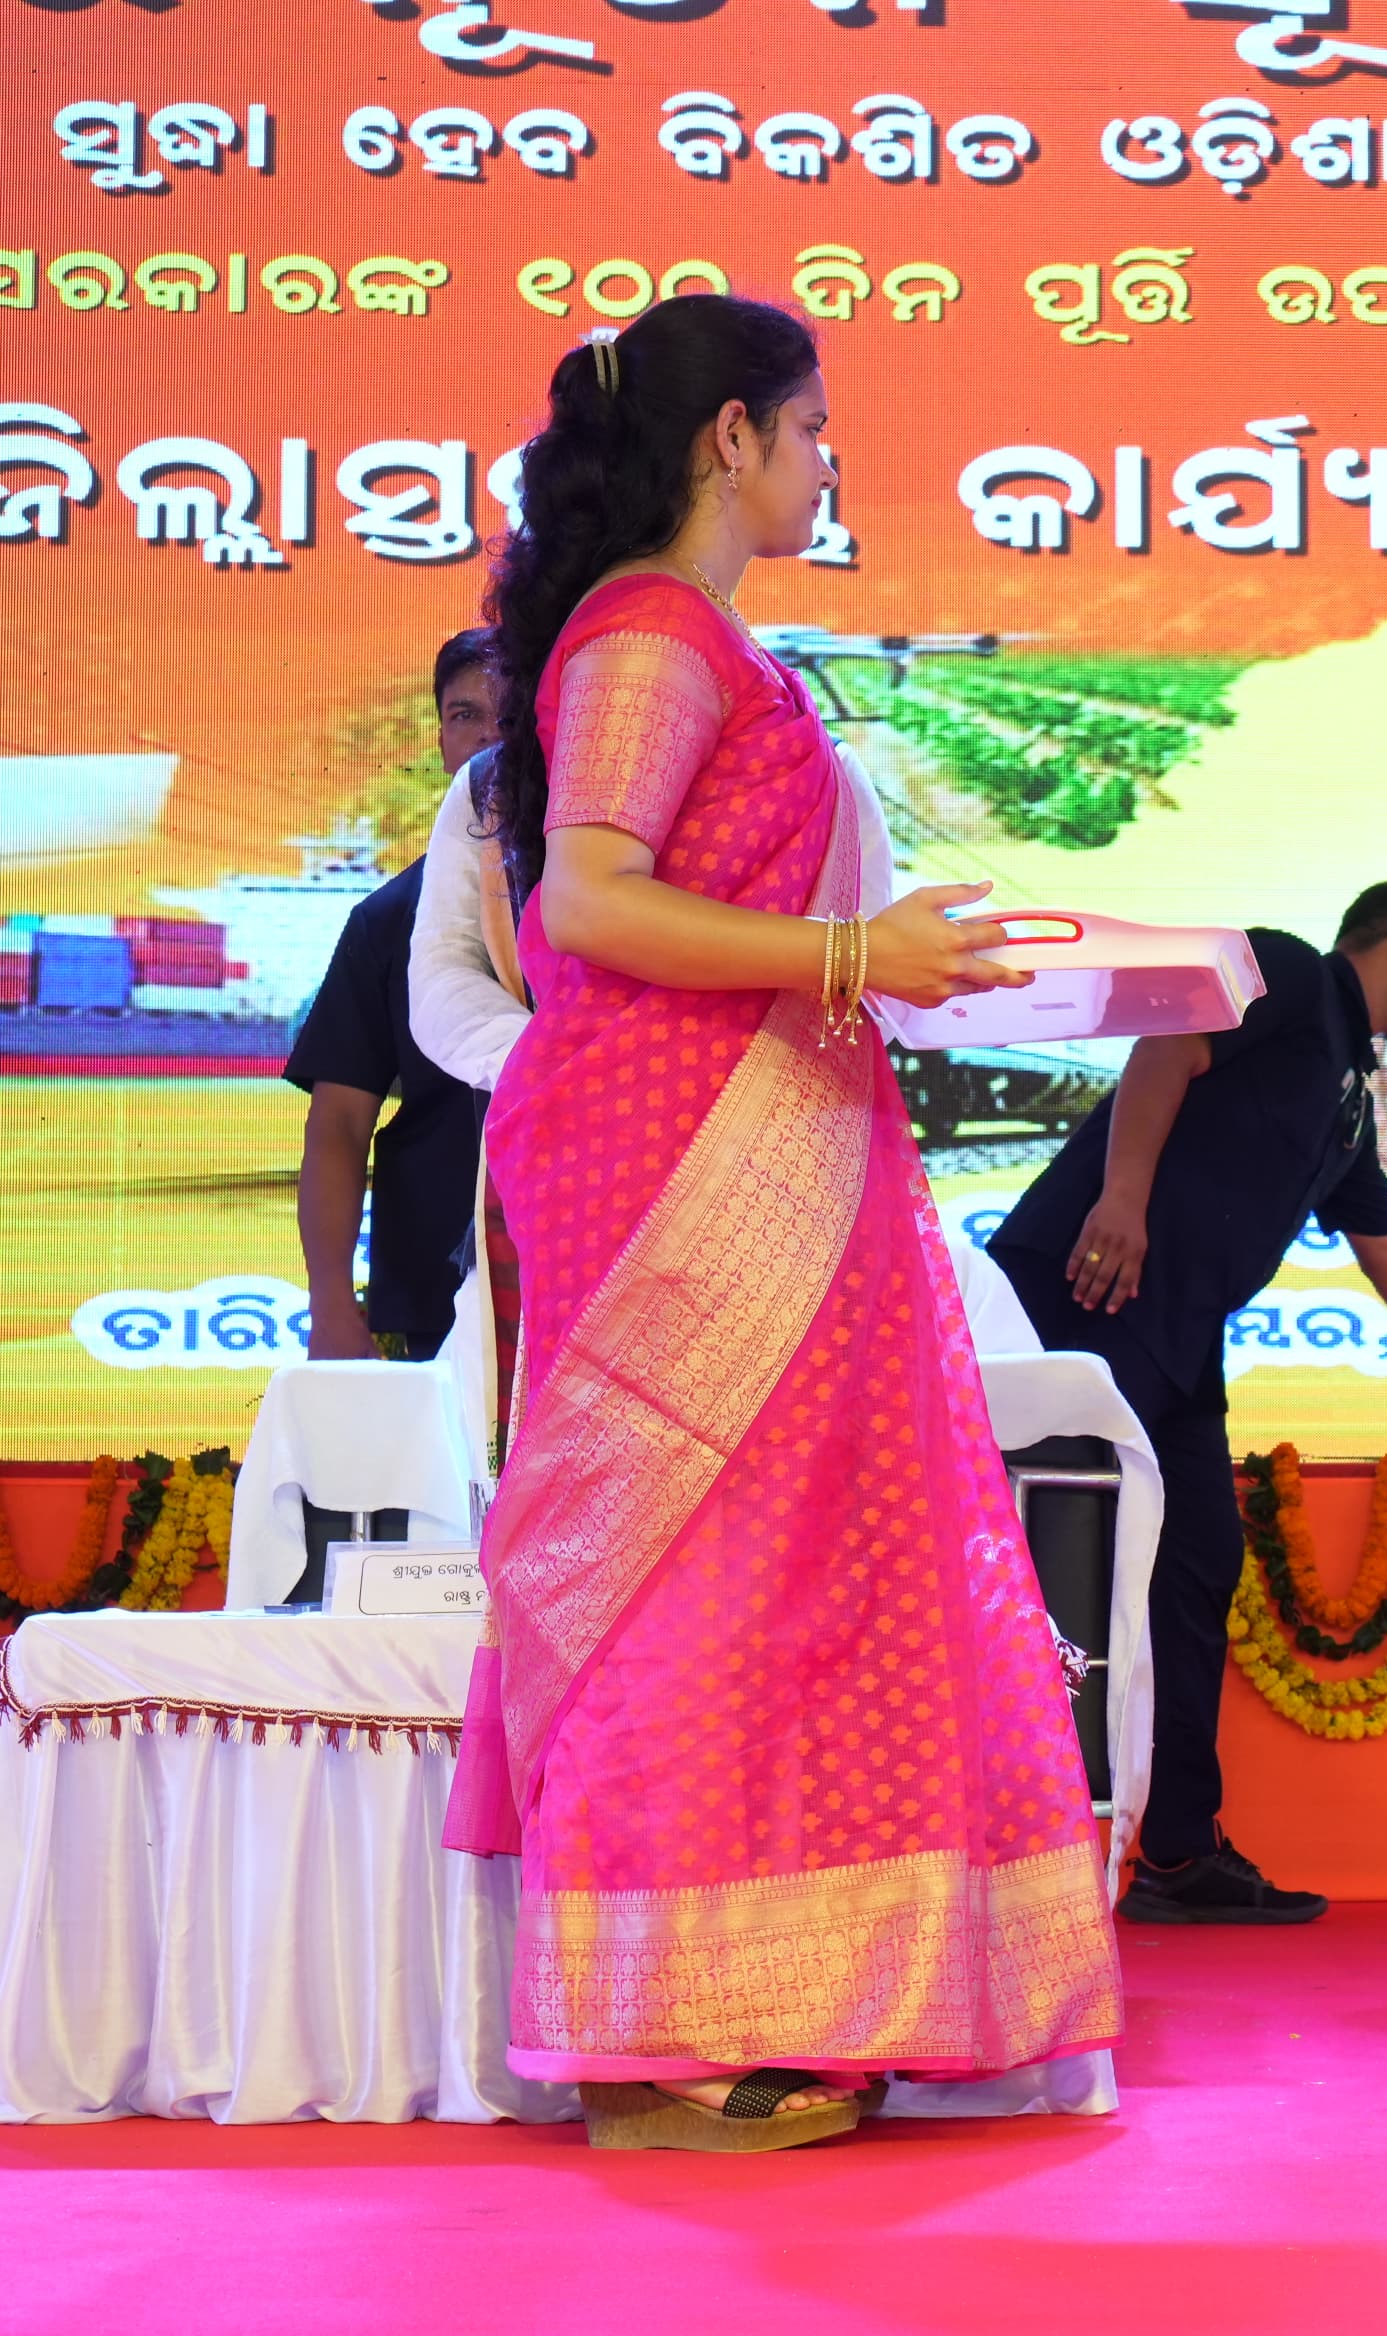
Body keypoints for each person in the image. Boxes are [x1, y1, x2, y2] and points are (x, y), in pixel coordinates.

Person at [439, 295, 1120, 2153]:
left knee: (789, 1580)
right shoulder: (651, 633)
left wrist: (893, 969)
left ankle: (780, 2001)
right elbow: (590, 903)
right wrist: (846, 954)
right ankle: (654, 2054)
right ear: (729, 437)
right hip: (676, 1166)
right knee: (689, 1579)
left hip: (758, 1146)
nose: (828, 462)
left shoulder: (696, 639)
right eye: (812, 427)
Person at [987, 881, 1387, 1927]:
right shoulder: (1286, 968)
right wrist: (1122, 1199)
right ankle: (1011, 1848)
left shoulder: (1351, 1096)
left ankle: (1176, 1849)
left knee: (1202, 1561)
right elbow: (1167, 1047)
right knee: (1056, 1565)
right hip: (1086, 1290)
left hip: (1179, 1338)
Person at [288, 630, 498, 1361]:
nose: (488, 739)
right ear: (441, 740)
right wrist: (329, 1305)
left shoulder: (604, 908)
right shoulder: (384, 922)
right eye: (465, 715)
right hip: (434, 1287)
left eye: (512, 717)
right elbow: (339, 1124)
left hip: (592, 1274)